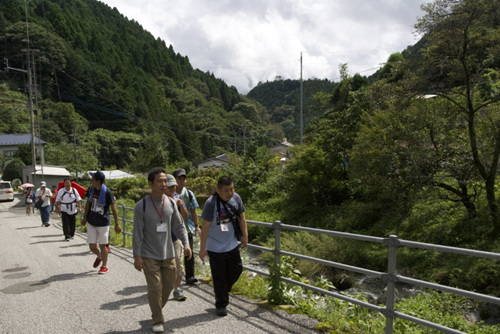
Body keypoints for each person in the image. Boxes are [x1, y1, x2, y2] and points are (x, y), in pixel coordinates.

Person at [133, 167, 192, 333]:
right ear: (151, 183)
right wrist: (137, 255)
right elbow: (137, 232)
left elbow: (179, 226)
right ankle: (158, 320)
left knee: (167, 287)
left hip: (168, 253)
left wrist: (186, 244)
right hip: (149, 254)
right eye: (160, 181)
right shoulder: (142, 205)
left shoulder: (171, 203)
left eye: (165, 180)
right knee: (155, 288)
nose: (164, 184)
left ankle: (155, 311)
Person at [199, 175, 248, 317]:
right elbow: (205, 227)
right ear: (218, 190)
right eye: (226, 190)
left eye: (232, 189)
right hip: (214, 246)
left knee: (237, 269)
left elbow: (242, 217)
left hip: (232, 243)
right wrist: (203, 249)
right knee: (219, 277)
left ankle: (222, 292)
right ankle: (221, 304)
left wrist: (244, 235)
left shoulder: (236, 198)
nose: (230, 193)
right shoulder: (210, 203)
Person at [81, 171, 121, 274]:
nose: (91, 180)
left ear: (98, 181)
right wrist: (84, 217)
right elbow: (88, 204)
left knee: (103, 245)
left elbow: (113, 209)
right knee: (92, 246)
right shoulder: (91, 190)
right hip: (92, 221)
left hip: (103, 222)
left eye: (93, 179)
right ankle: (99, 256)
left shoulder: (107, 192)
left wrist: (117, 224)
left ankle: (104, 266)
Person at [173, 168, 201, 285]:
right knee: (174, 252)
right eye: (179, 178)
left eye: (184, 178)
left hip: (186, 227)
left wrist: (196, 226)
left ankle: (189, 276)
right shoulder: (170, 194)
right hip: (173, 228)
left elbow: (194, 211)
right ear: (175, 180)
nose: (182, 181)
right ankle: (173, 276)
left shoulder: (189, 194)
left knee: (189, 251)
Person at [165, 174, 189, 301]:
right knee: (166, 266)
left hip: (176, 237)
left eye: (174, 186)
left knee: (179, 264)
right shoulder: (159, 200)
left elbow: (185, 217)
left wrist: (181, 205)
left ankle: (177, 288)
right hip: (161, 239)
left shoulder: (178, 198)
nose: (172, 189)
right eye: (170, 187)